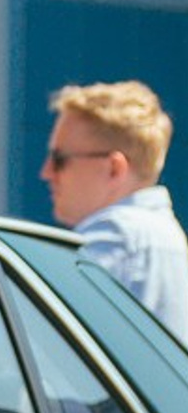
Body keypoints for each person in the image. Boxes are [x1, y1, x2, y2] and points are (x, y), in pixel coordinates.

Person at [41, 80, 188, 335]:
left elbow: (23, 317)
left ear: (114, 168)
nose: (46, 172)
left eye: (59, 160)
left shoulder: (120, 234)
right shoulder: (154, 233)